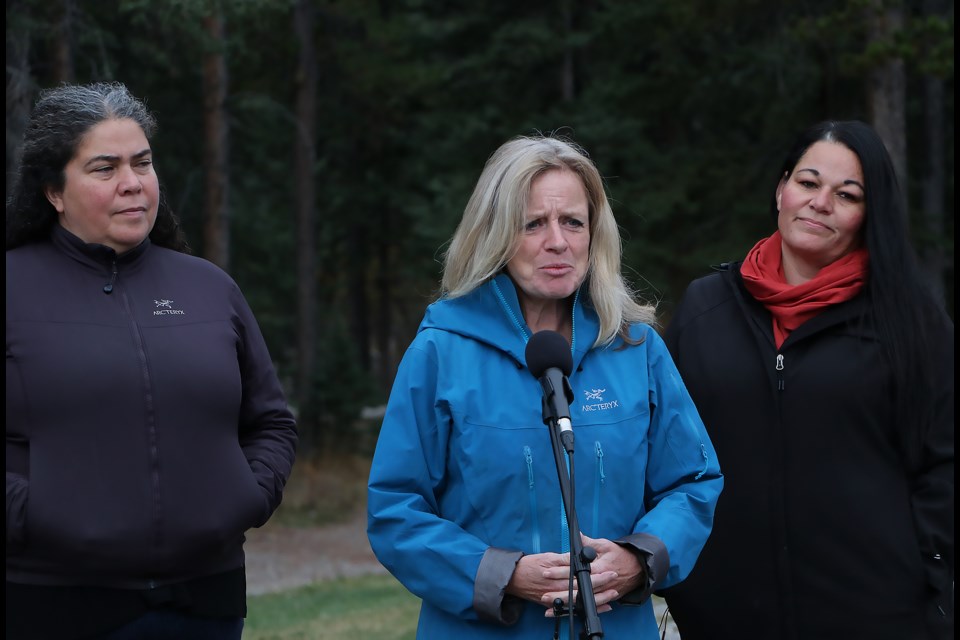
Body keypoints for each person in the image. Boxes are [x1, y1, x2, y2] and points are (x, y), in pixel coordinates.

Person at [366, 134, 723, 639]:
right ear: (495, 234)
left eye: (573, 222)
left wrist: (638, 558)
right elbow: (395, 510)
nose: (557, 241)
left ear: (595, 234)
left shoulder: (635, 347)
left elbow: (694, 482)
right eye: (533, 223)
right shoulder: (441, 353)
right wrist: (503, 574)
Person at [5, 81, 298, 640]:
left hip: (204, 602)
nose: (132, 184)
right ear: (53, 191)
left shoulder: (209, 288)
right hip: (50, 602)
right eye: (104, 168)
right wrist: (34, 515)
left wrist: (247, 496)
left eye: (142, 163)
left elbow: (270, 421)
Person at [659, 120, 954, 640]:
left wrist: (926, 568)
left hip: (877, 616)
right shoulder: (706, 307)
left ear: (869, 214)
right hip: (722, 616)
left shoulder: (910, 320)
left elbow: (944, 460)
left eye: (848, 194)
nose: (821, 203)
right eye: (808, 182)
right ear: (781, 189)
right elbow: (664, 449)